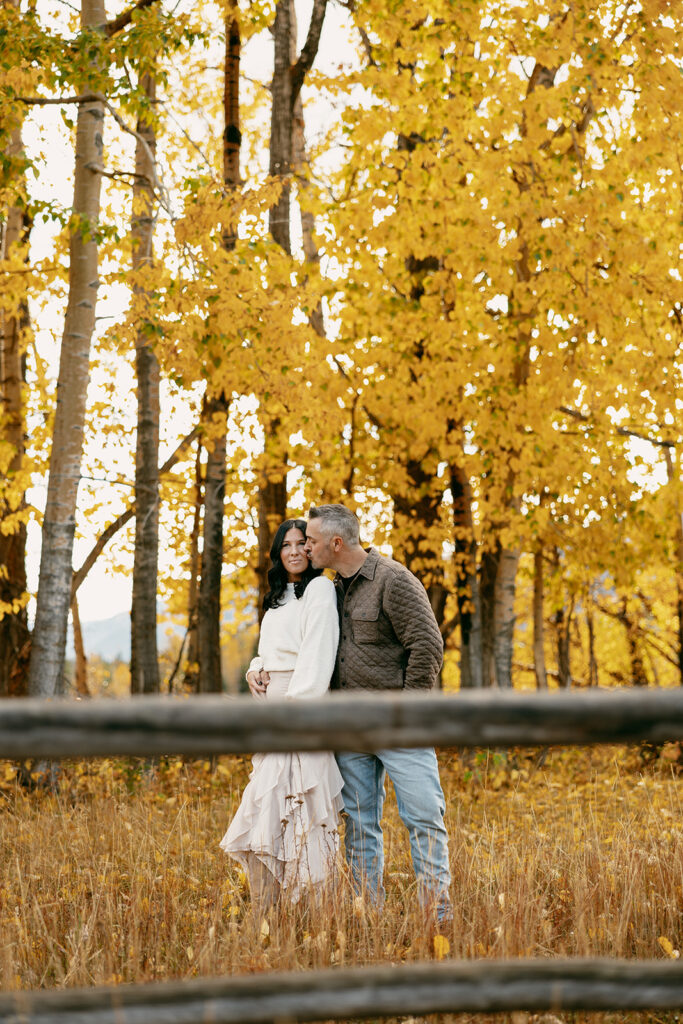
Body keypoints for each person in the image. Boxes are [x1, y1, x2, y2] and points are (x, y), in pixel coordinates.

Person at [304, 504, 452, 921]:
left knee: (424, 819)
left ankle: (436, 916)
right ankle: (367, 914)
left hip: (400, 727)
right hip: (350, 729)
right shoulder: (329, 589)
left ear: (336, 543)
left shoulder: (394, 580)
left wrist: (405, 713)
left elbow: (427, 647)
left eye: (312, 540)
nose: (307, 547)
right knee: (360, 825)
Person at [220, 519, 343, 913]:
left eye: (300, 544)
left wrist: (296, 711)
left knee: (300, 808)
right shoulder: (276, 597)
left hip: (299, 710)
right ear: (277, 552)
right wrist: (254, 667)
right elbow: (271, 649)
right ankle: (268, 915)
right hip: (272, 710)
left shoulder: (321, 589)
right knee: (266, 810)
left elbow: (317, 652)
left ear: (311, 549)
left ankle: (311, 913)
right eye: (285, 545)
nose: (293, 551)